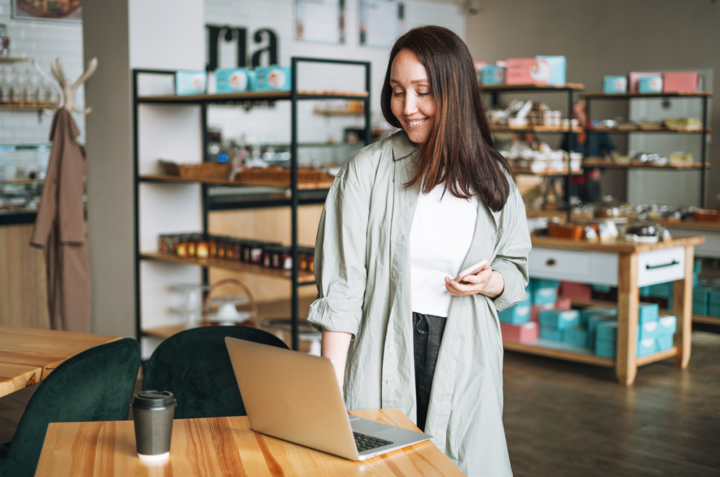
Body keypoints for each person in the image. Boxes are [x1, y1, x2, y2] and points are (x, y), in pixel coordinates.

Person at [307, 25, 530, 476]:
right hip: (384, 346)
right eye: (396, 91)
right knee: (384, 462)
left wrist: (492, 281)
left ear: (456, 92)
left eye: (423, 92)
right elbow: (342, 287)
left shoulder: (494, 177)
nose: (407, 108)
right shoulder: (366, 171)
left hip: (466, 351)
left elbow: (516, 266)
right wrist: (328, 391)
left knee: (462, 463)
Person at [560, 100, 616, 204]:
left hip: (589, 180)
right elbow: (562, 150)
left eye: (576, 114)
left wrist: (600, 170)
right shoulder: (570, 131)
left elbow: (612, 151)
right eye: (572, 114)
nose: (573, 117)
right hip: (571, 181)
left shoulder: (597, 129)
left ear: (584, 113)